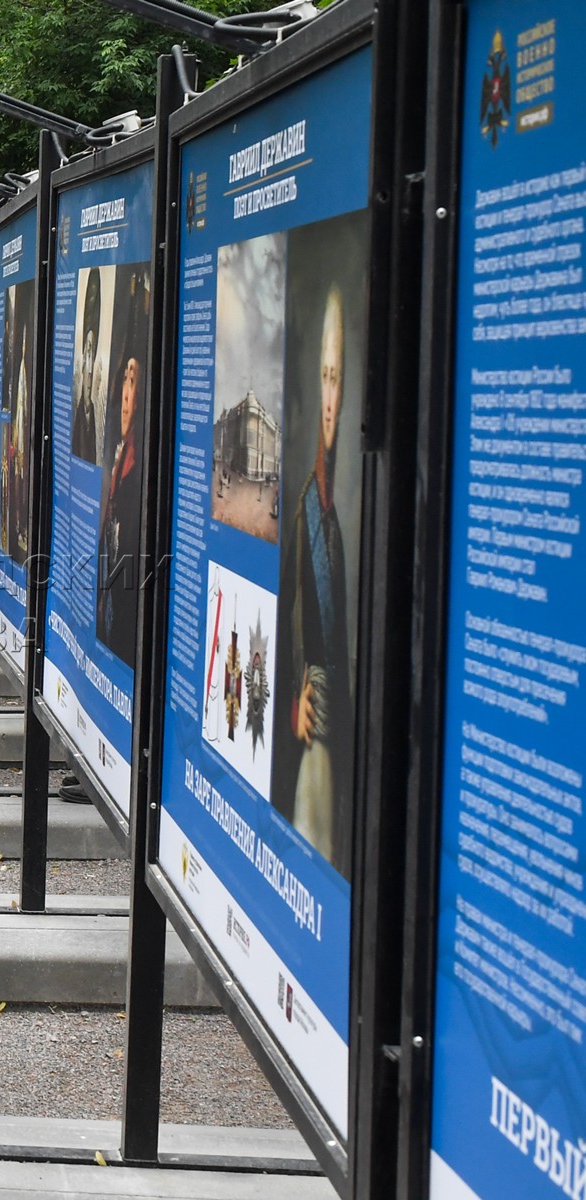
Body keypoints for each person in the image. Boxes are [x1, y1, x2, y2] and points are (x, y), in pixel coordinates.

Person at [275, 286, 353, 873]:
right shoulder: (307, 507)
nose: (329, 397)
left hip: (327, 726)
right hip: (307, 730)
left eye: (338, 380)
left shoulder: (328, 512)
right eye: (324, 377)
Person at [93, 352, 145, 668]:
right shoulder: (120, 457)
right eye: (125, 379)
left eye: (134, 380)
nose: (126, 393)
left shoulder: (138, 468)